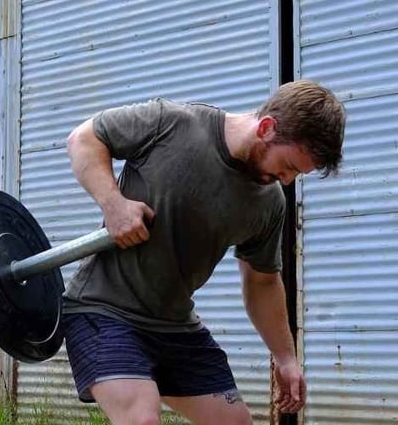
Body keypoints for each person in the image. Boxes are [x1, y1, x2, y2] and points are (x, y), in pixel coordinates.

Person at [61, 80, 346, 425]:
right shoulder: (173, 123)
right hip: (103, 311)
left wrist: (286, 358)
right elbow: (84, 139)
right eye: (288, 166)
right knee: (142, 419)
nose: (286, 181)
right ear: (267, 128)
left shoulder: (270, 204)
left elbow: (262, 283)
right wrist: (113, 204)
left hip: (175, 326)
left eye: (297, 175)